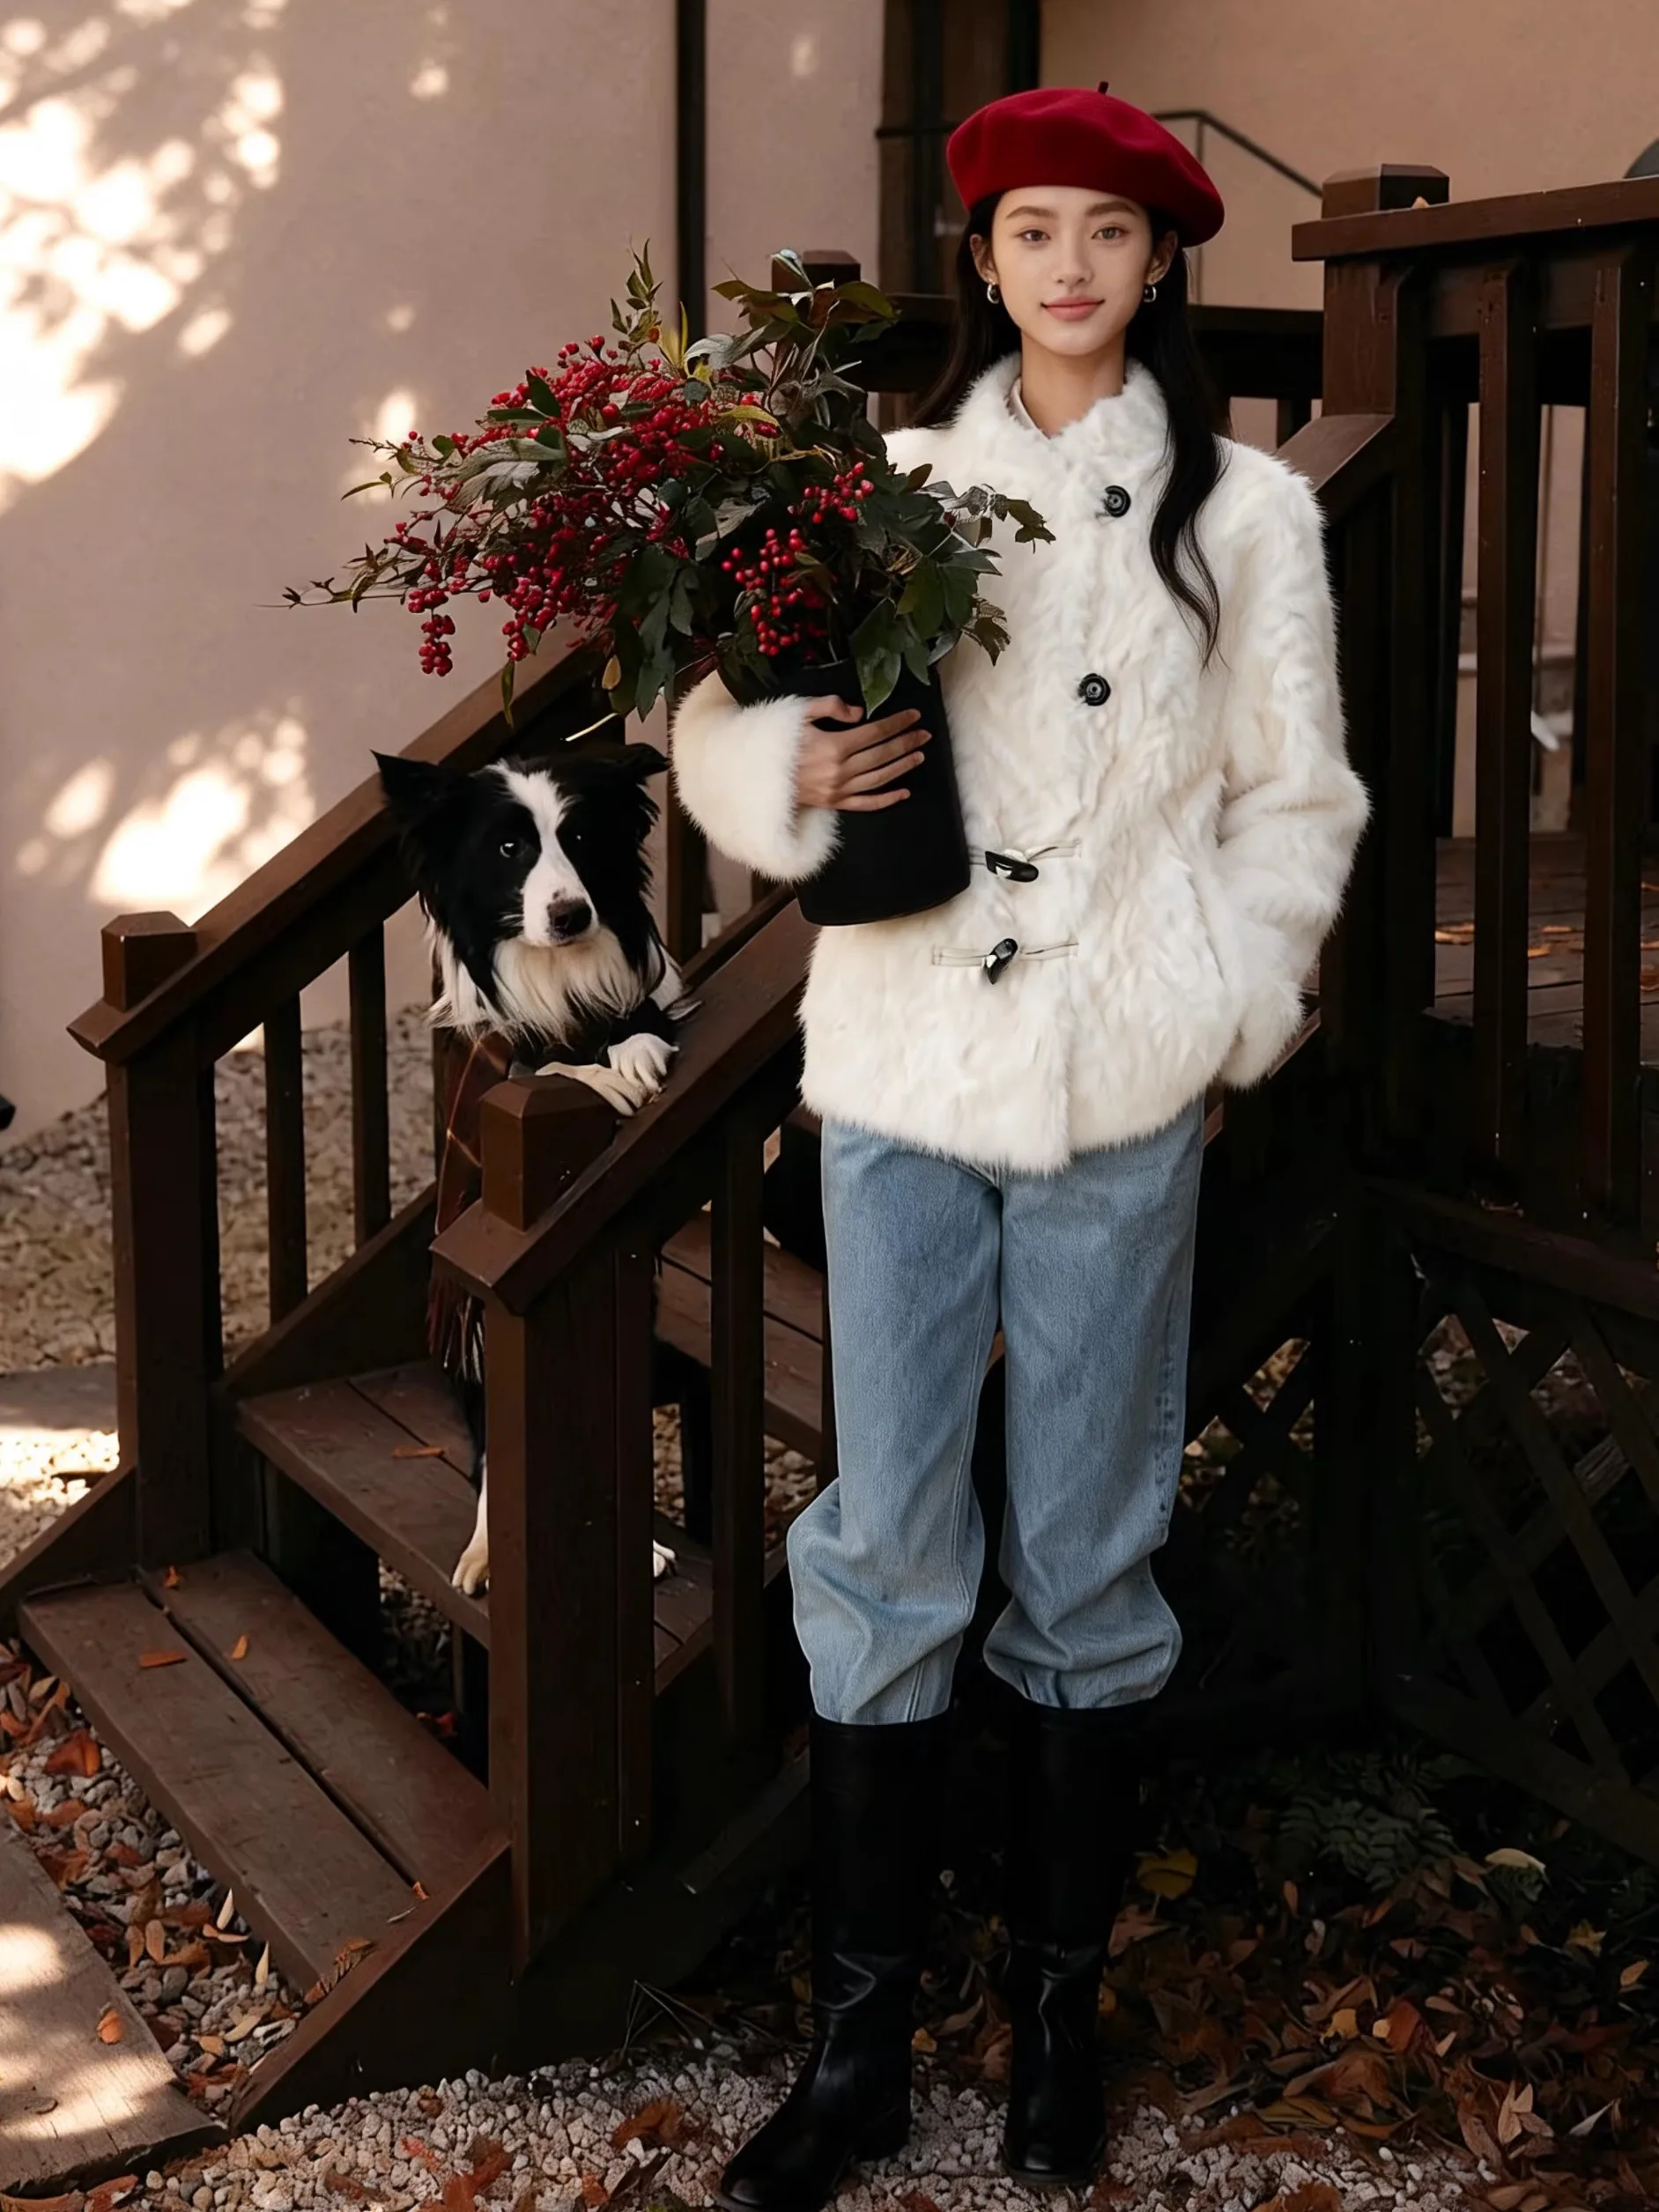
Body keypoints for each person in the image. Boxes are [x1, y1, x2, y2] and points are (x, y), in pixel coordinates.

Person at [670, 81, 1369, 2212]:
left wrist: (1225, 1004)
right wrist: (794, 755)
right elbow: (703, 721)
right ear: (979, 264)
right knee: (886, 1542)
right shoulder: (879, 489)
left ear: (1159, 265)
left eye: (1106, 232)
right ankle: (861, 2042)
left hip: (1118, 1080)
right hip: (897, 1073)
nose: (1065, 265)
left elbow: (1292, 800)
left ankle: (1058, 2014)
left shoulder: (1245, 514)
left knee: (1081, 1548)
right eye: (1027, 231)